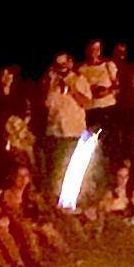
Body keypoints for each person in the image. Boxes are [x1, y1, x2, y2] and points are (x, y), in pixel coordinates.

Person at [42, 53, 93, 197]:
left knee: (74, 169)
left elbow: (87, 103)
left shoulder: (79, 80)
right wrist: (51, 83)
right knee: (57, 169)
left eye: (64, 64)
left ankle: (74, 199)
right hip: (56, 132)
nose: (62, 68)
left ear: (70, 63)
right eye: (59, 65)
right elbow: (46, 104)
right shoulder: (51, 82)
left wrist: (71, 89)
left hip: (74, 131)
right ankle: (55, 199)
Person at [78, 40, 119, 133]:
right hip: (91, 110)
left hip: (108, 107)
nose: (94, 51)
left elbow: (116, 85)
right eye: (92, 49)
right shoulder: (81, 70)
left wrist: (107, 91)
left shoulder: (108, 66)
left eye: (97, 49)